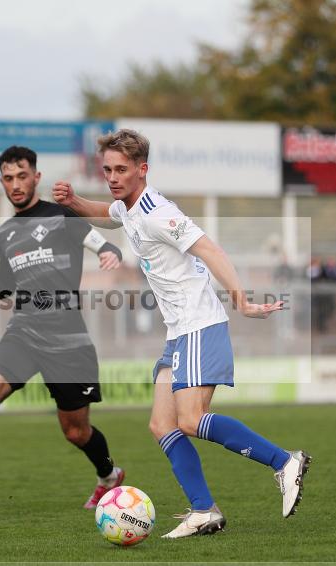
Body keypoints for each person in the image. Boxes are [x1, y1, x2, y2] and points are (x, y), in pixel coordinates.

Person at [53, 129, 310, 539]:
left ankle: (284, 461)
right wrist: (74, 202)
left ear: (143, 170)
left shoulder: (158, 212)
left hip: (198, 324)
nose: (113, 177)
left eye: (122, 170)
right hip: (179, 332)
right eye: (107, 170)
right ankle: (204, 510)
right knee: (162, 424)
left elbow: (210, 249)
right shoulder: (128, 206)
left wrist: (240, 299)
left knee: (189, 419)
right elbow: (109, 214)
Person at [0, 146, 126, 513]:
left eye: (21, 176)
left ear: (36, 177)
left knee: (76, 432)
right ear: (2, 182)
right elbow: (2, 285)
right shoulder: (7, 233)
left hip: (67, 340)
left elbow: (99, 239)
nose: (15, 184)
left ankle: (108, 476)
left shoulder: (62, 215)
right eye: (8, 178)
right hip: (24, 332)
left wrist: (110, 250)